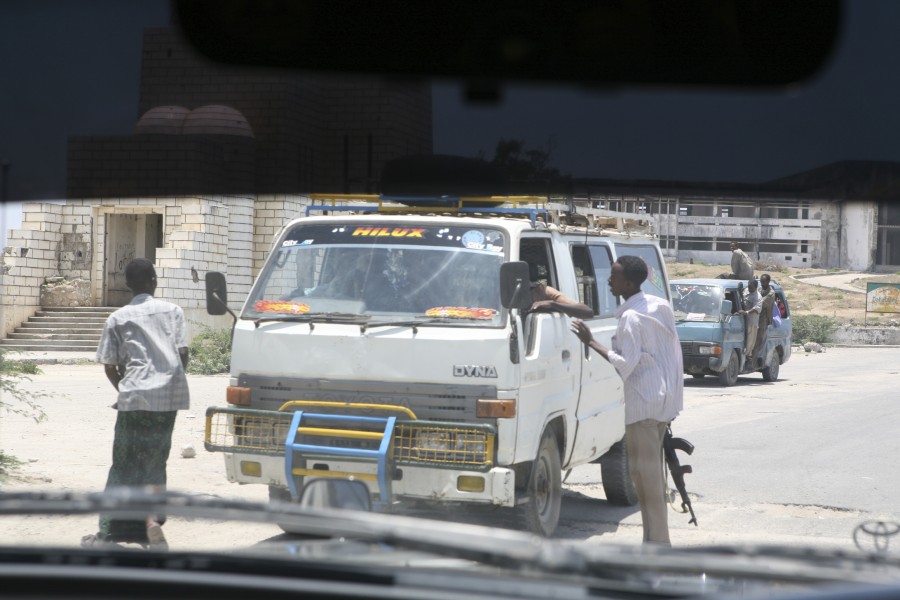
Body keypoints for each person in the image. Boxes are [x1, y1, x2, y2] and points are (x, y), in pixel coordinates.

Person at [570, 255, 683, 545]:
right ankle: (654, 542)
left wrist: (590, 341)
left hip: (643, 404)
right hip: (663, 401)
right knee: (649, 477)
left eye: (614, 276)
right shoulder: (659, 306)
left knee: (646, 480)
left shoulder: (631, 318)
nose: (609, 280)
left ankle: (658, 545)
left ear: (629, 283)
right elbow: (671, 353)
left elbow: (625, 364)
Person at [83, 258, 190, 550]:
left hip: (134, 398)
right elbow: (182, 354)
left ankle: (107, 533)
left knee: (124, 465)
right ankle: (151, 522)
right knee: (155, 462)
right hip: (168, 399)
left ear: (127, 285)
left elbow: (109, 366)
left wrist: (128, 390)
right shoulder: (173, 311)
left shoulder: (117, 317)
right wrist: (167, 382)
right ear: (154, 280)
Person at [740, 279, 763, 366]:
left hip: (751, 321)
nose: (749, 289)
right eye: (749, 287)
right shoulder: (746, 290)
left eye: (751, 288)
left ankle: (747, 357)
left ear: (756, 287)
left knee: (750, 340)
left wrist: (746, 312)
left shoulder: (758, 297)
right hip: (742, 319)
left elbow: (756, 309)